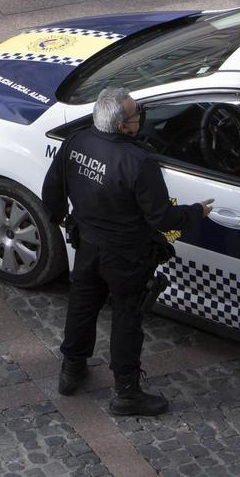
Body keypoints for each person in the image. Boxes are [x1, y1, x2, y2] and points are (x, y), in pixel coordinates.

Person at [43, 86, 212, 416]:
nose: (140, 119)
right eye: (136, 115)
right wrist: (195, 213)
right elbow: (161, 217)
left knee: (82, 305)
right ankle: (127, 393)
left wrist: (66, 221)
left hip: (88, 245)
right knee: (126, 318)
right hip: (126, 256)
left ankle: (71, 370)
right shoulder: (139, 162)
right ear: (123, 126)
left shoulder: (76, 141)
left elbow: (53, 191)